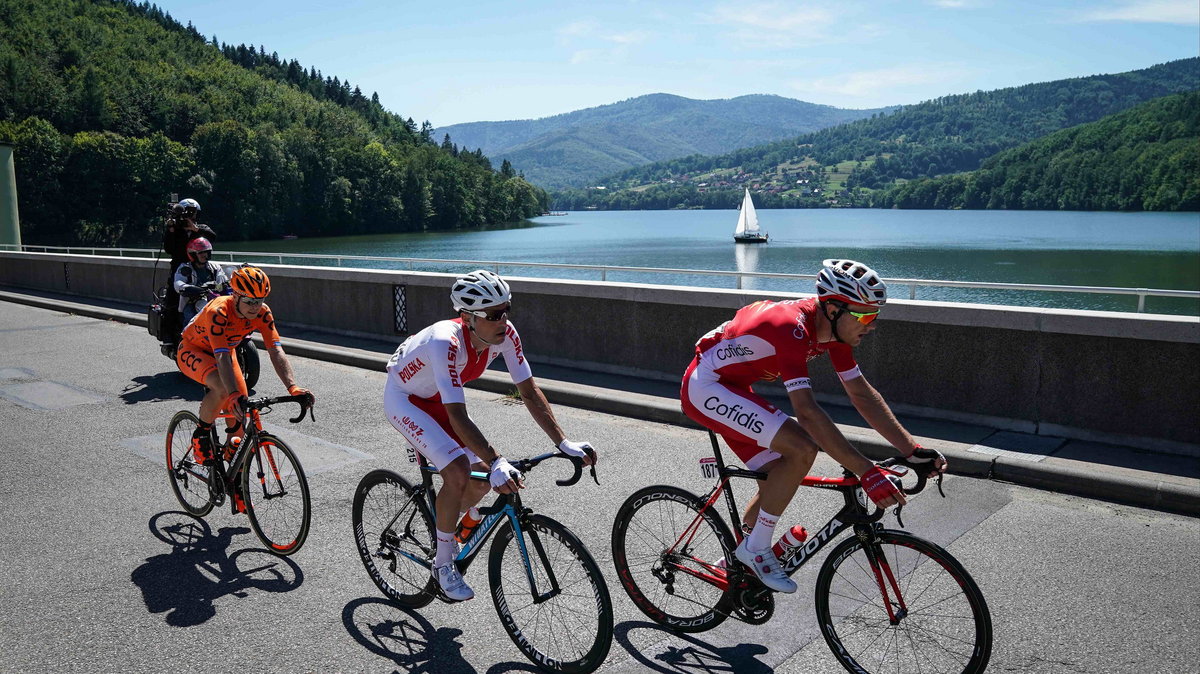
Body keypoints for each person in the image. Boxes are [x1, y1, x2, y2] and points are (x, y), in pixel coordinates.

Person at [680, 259, 947, 593]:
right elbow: (806, 411)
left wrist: (913, 450)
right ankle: (756, 549)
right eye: (864, 315)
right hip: (706, 386)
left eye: (876, 316)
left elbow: (861, 395)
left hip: (735, 388)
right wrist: (866, 470)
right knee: (802, 447)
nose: (872, 324)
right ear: (833, 309)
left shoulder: (834, 334)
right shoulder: (790, 328)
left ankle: (736, 561)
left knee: (781, 470)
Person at [384, 270, 597, 602]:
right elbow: (457, 414)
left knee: (482, 480)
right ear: (468, 317)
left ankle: (451, 522)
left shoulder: (507, 335)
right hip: (406, 399)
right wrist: (496, 459)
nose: (504, 320)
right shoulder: (446, 342)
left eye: (507, 309)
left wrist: (563, 442)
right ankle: (442, 566)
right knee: (457, 471)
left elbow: (528, 391)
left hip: (438, 400)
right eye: (495, 314)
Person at [176, 266, 314, 510]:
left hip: (225, 352)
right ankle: (201, 434)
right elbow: (221, 359)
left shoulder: (263, 313)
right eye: (249, 301)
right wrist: (233, 396)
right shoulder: (220, 310)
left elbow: (275, 350)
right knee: (223, 390)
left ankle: (233, 475)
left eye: (259, 301)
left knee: (239, 432)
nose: (255, 307)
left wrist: (294, 388)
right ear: (236, 296)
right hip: (194, 350)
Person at [161, 198, 217, 341]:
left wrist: (195, 229)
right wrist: (171, 230)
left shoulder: (200, 229)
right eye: (188, 213)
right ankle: (168, 337)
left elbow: (213, 237)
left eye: (193, 213)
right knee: (171, 301)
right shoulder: (176, 230)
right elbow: (168, 248)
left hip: (200, 269)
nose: (190, 216)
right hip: (180, 270)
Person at [173, 237, 228, 326]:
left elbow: (222, 279)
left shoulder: (215, 267)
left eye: (206, 252)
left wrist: (226, 284)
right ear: (193, 254)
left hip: (214, 299)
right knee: (190, 318)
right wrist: (189, 288)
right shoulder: (185, 268)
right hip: (191, 301)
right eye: (200, 253)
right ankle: (186, 338)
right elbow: (178, 283)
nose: (204, 255)